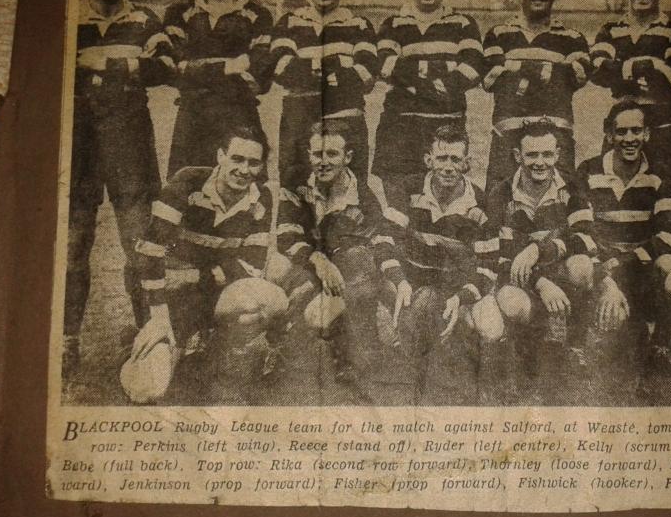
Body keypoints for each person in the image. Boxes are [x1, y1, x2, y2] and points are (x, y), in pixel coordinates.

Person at [64, 0, 174, 380]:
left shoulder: (145, 18)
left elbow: (166, 66)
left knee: (139, 244)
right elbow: (54, 67)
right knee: (74, 246)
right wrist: (123, 66)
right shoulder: (71, 16)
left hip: (129, 141)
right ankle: (68, 340)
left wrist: (100, 66)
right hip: (81, 139)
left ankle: (146, 338)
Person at [131, 126, 288, 403]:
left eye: (253, 163)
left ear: (261, 166)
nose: (244, 169)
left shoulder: (260, 197)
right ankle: (148, 344)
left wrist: (191, 275)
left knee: (267, 298)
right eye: (237, 159)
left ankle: (216, 343)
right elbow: (151, 252)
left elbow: (250, 265)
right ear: (220, 156)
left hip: (206, 288)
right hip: (166, 297)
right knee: (146, 389)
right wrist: (158, 316)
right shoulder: (187, 182)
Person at [273, 120, 412, 385]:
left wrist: (398, 278)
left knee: (359, 260)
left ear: (347, 157)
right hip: (309, 261)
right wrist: (318, 260)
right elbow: (286, 235)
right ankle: (284, 337)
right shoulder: (295, 180)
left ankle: (358, 343)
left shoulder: (363, 192)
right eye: (317, 154)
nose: (323, 162)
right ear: (309, 155)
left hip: (348, 270)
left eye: (332, 154)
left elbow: (381, 240)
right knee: (278, 269)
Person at [570, 100, 671, 396]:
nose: (629, 139)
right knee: (582, 269)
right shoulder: (588, 171)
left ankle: (660, 342)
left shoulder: (661, 173)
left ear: (647, 134)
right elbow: (581, 232)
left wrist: (626, 264)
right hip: (603, 267)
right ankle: (576, 345)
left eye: (637, 131)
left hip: (640, 265)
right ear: (609, 134)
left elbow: (668, 234)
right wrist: (606, 274)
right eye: (622, 131)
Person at [382, 125, 501, 404]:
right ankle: (411, 374)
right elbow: (385, 239)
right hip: (414, 283)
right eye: (442, 158)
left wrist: (462, 297)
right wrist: (399, 281)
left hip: (458, 288)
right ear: (429, 161)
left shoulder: (482, 202)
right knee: (403, 321)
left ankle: (485, 376)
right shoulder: (408, 190)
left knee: (491, 329)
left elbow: (489, 264)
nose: (448, 167)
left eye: (455, 160)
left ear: (467, 163)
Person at [480, 120, 596, 401]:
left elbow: (587, 238)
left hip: (560, 272)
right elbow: (500, 255)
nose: (540, 162)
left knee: (582, 267)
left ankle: (574, 344)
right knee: (509, 300)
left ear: (557, 154)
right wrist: (541, 282)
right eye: (532, 155)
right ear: (518, 156)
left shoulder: (571, 187)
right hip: (524, 278)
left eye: (547, 154)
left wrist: (538, 251)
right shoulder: (500, 194)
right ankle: (531, 348)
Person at [372, 0, 485, 206]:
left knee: (439, 204)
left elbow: (472, 69)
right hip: (399, 128)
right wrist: (439, 80)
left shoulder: (463, 24)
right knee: (399, 204)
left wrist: (413, 83)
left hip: (445, 127)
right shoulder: (393, 24)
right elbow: (386, 65)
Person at [162, 0, 274, 177]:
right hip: (192, 118)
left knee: (245, 197)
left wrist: (197, 69)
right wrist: (230, 67)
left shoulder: (259, 15)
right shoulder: (179, 12)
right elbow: (174, 70)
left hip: (240, 116)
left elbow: (261, 75)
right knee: (186, 193)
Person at [267, 0, 377, 190]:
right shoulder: (288, 22)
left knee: (350, 196)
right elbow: (281, 69)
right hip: (298, 123)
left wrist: (309, 68)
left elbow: (366, 75)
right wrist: (337, 66)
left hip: (347, 124)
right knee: (295, 194)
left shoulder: (359, 25)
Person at [590, 0, 671, 200]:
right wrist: (648, 66)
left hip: (664, 131)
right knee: (620, 199)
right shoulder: (610, 30)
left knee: (668, 201)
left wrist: (621, 73)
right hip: (622, 131)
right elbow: (598, 71)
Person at [481, 0, 590, 190]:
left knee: (559, 204)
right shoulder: (499, 34)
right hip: (507, 137)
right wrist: (550, 70)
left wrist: (515, 67)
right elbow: (491, 78)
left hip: (555, 137)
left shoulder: (573, 38)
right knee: (499, 202)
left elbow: (574, 78)